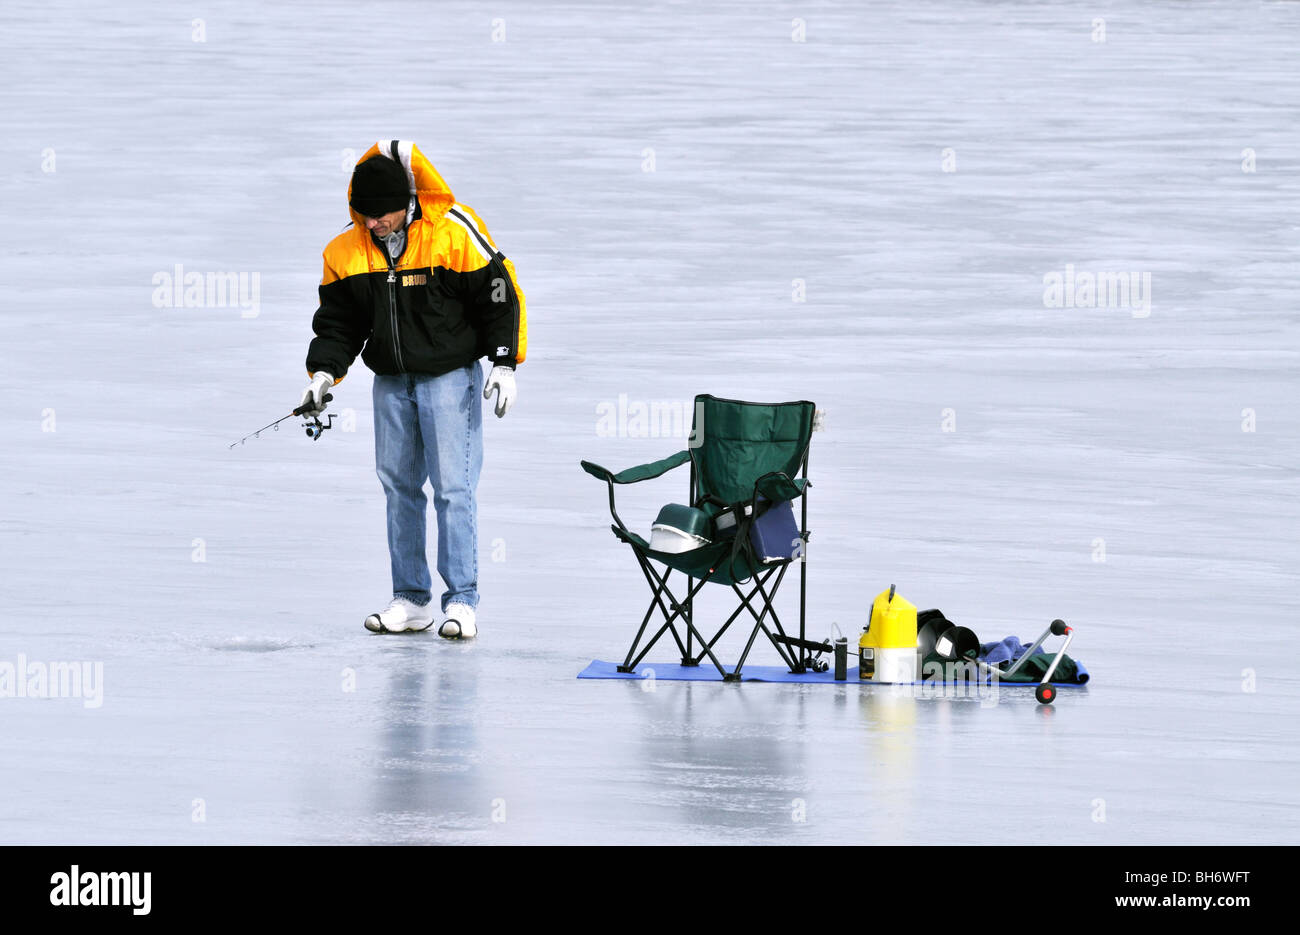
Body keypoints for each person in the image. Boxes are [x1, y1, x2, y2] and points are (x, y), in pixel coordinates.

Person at [299, 140, 526, 639]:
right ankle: (411, 598)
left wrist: (505, 362)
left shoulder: (452, 231)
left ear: (405, 203)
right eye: (364, 214)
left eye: (381, 215)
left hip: (450, 378)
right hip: (391, 382)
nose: (372, 223)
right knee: (399, 489)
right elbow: (339, 322)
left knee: (452, 489)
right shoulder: (345, 249)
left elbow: (499, 294)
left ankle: (462, 601)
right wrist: (322, 373)